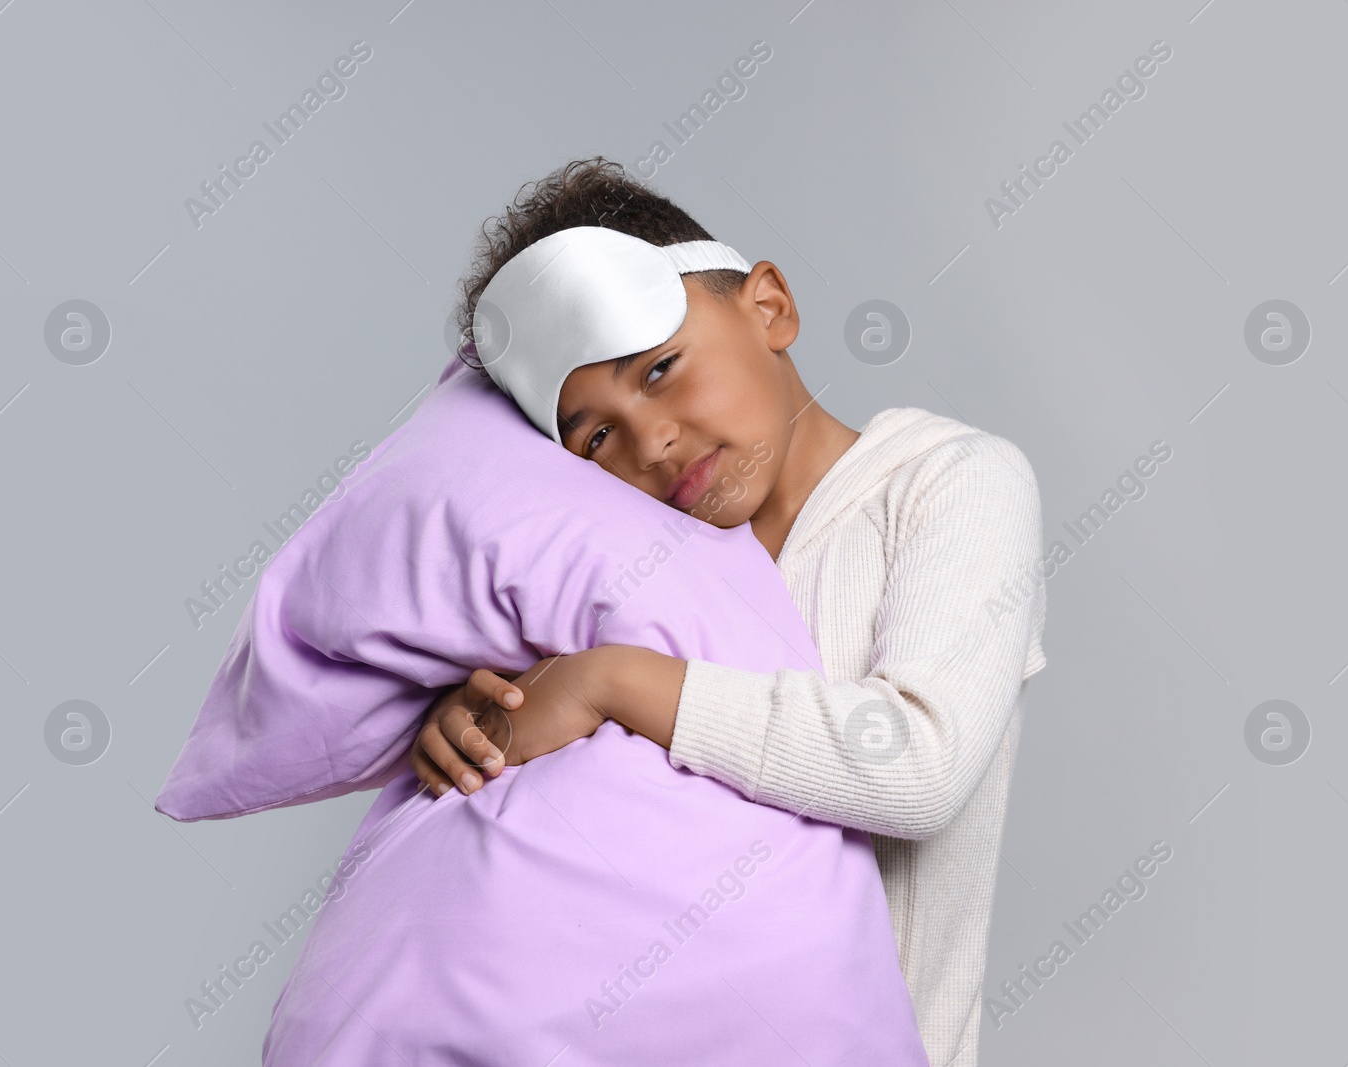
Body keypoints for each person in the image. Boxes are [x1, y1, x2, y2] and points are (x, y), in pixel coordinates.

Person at [409, 156, 1046, 1067]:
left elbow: (915, 764)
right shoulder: (624, 577)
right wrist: (470, 733)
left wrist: (608, 679)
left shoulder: (949, 484)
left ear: (770, 307)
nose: (652, 439)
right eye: (596, 436)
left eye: (662, 369)